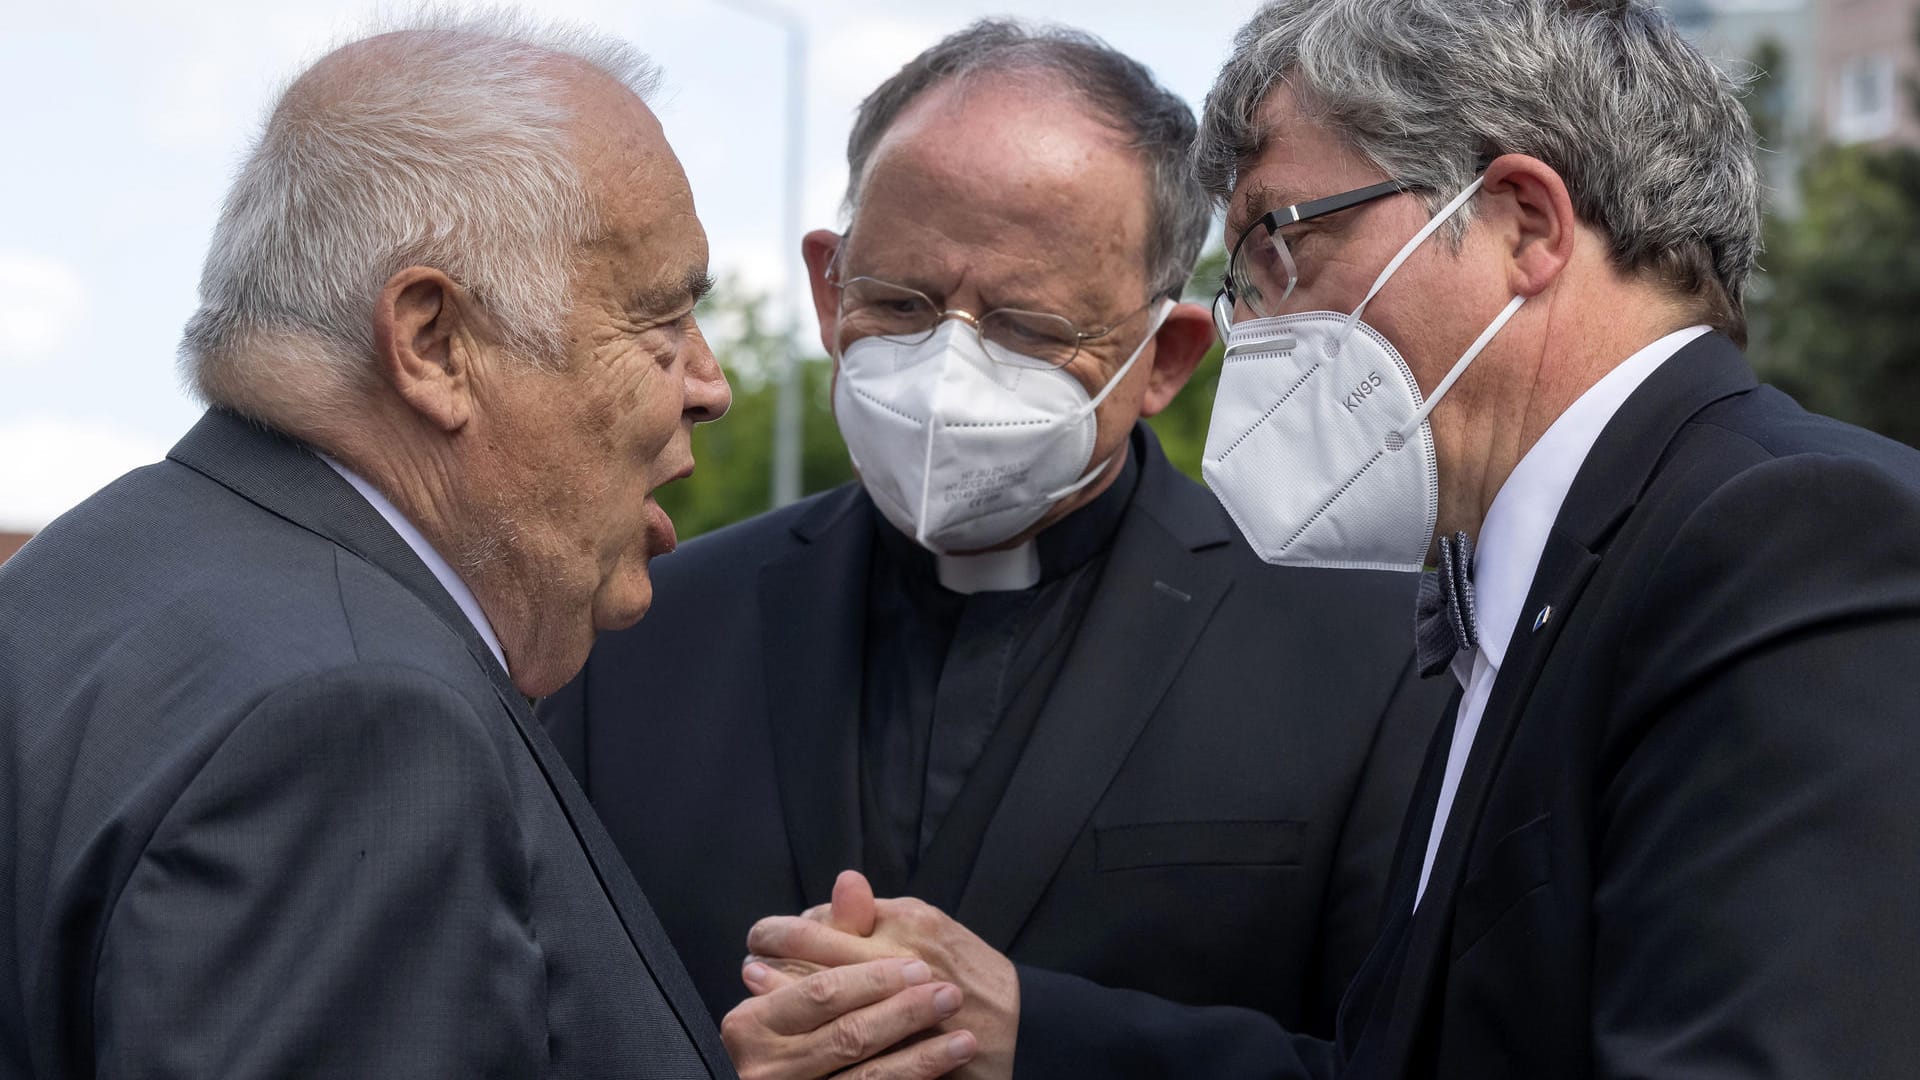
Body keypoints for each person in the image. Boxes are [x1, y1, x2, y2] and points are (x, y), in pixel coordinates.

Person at [734, 1, 1920, 1077]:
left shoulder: (1793, 535)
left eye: (1283, 244)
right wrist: (1027, 1034)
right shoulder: (1542, 584)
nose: (1261, 329)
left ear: (1523, 221)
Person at [542, 19, 1445, 1080]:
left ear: (1165, 358)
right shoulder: (640, 632)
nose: (951, 366)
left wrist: (1041, 1041)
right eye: (902, 305)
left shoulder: (1369, 651)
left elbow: (1414, 1058)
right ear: (830, 292)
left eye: (1026, 326)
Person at [0, 14, 851, 1078]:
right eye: (659, 321)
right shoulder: (359, 727)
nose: (713, 385)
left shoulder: (91, 576)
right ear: (435, 343)